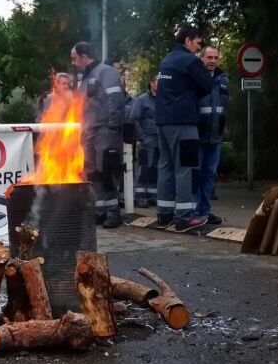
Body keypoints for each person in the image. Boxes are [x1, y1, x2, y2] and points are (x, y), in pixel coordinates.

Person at [155, 25, 213, 232]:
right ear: (187, 40)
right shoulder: (190, 60)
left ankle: (164, 215)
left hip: (163, 122)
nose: (199, 47)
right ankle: (184, 218)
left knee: (166, 166)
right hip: (183, 122)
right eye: (198, 43)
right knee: (185, 168)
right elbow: (207, 85)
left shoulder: (167, 59)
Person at [70, 42, 124, 229]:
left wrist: (112, 125)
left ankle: (113, 212)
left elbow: (115, 99)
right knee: (92, 172)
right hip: (89, 131)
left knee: (106, 170)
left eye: (75, 58)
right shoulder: (84, 77)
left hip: (104, 131)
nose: (74, 62)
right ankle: (99, 210)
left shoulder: (106, 72)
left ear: (85, 56)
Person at [197, 45, 229, 224]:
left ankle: (205, 211)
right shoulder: (195, 77)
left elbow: (224, 106)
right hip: (199, 135)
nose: (213, 61)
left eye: (216, 57)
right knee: (197, 173)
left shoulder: (223, 78)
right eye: (209, 57)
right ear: (202, 58)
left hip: (215, 135)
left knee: (209, 174)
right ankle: (194, 211)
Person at [130, 72, 160, 208]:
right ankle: (140, 196)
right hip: (147, 140)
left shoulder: (164, 99)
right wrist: (142, 138)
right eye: (158, 81)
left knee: (156, 168)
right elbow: (134, 119)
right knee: (144, 168)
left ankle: (152, 194)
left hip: (160, 140)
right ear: (152, 83)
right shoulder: (142, 100)